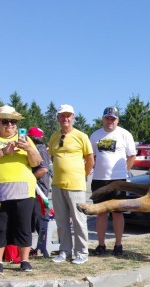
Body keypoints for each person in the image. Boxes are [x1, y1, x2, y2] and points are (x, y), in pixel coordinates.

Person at [0, 106, 43, 274]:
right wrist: (4, 151)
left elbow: (36, 162)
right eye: (5, 121)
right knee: (0, 227)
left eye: (13, 121)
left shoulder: (25, 139)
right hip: (0, 191)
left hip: (24, 191)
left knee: (23, 226)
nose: (10, 125)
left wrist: (28, 148)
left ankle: (24, 260)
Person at [48, 104, 94, 265]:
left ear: (73, 117)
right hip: (57, 184)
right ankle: (65, 250)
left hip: (76, 184)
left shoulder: (81, 136)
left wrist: (82, 175)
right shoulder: (54, 136)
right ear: (58, 118)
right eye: (62, 116)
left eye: (68, 115)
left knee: (79, 220)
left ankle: (82, 252)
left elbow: (90, 159)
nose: (65, 118)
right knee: (61, 220)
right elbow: (53, 158)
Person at [89, 106, 137, 257]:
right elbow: (91, 157)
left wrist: (124, 171)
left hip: (118, 180)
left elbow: (132, 155)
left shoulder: (124, 134)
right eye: (107, 118)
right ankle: (101, 244)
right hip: (99, 180)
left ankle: (118, 244)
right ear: (103, 118)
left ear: (117, 120)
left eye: (113, 119)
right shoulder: (95, 135)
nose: (110, 121)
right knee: (101, 213)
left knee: (117, 213)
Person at [27, 126, 51, 255]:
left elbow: (44, 169)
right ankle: (38, 247)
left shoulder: (40, 150)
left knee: (40, 219)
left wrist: (28, 178)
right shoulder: (38, 149)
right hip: (37, 188)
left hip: (39, 189)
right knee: (36, 219)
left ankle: (43, 247)